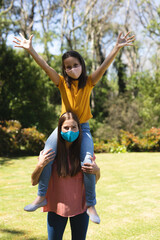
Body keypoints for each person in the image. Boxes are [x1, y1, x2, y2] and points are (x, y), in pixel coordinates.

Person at [13, 31, 135, 223]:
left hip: (83, 128)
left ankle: (91, 204)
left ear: (82, 66)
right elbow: (45, 67)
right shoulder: (61, 83)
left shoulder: (89, 83)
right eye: (68, 67)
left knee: (87, 162)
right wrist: (31, 50)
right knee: (47, 154)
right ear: (64, 70)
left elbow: (104, 66)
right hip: (63, 126)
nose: (72, 69)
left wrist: (116, 47)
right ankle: (41, 196)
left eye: (75, 65)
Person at [31, 112, 100, 239]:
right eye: (66, 128)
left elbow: (94, 181)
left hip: (81, 208)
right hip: (56, 208)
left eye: (74, 127)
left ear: (79, 129)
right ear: (59, 129)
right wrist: (40, 165)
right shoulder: (50, 154)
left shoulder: (84, 154)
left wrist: (97, 170)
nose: (70, 131)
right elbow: (34, 181)